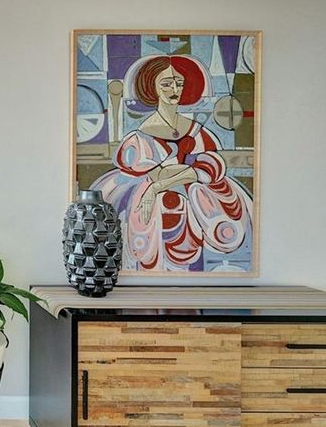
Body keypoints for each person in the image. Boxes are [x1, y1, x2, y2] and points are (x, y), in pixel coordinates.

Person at [93, 54, 251, 272]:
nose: (174, 89)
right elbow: (158, 172)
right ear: (153, 88)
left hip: (196, 202)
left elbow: (210, 168)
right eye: (166, 84)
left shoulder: (196, 130)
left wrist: (158, 186)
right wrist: (186, 171)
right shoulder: (140, 137)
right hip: (160, 209)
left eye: (179, 83)